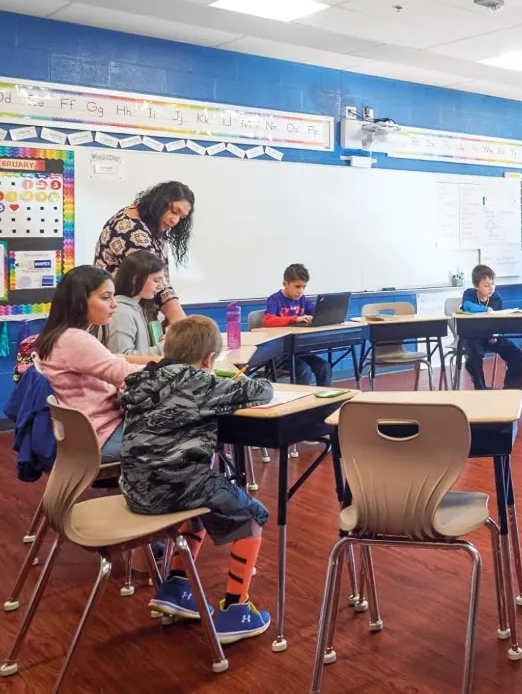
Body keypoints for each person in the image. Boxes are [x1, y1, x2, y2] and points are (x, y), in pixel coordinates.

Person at [119, 315, 274, 644]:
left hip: (134, 489)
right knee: (253, 514)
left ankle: (176, 586)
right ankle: (235, 608)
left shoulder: (144, 378)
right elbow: (262, 391)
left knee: (203, 498)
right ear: (208, 359)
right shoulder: (201, 382)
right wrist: (228, 376)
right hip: (176, 487)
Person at [34, 265, 153, 461]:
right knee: (184, 436)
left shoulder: (61, 336)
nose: (114, 304)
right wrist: (175, 368)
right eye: (106, 297)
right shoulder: (75, 340)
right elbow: (127, 375)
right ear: (79, 301)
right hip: (99, 435)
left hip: (90, 431)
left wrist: (160, 363)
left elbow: (113, 360)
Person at [94, 181, 194, 327]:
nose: (175, 221)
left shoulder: (150, 223)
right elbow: (153, 280)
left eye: (181, 217)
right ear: (160, 202)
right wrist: (181, 324)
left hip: (132, 314)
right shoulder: (132, 230)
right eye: (173, 211)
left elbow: (158, 280)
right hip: (121, 318)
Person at [263, 263, 331, 387]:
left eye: (304, 287)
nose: (301, 291)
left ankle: (327, 403)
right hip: (280, 354)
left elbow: (316, 310)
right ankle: (303, 404)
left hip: (299, 350)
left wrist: (326, 310)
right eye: (297, 286)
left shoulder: (302, 299)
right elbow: (268, 321)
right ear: (285, 284)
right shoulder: (274, 300)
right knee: (304, 370)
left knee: (324, 367)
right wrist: (295, 318)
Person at [460, 264, 522, 390]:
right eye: (486, 285)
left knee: (517, 353)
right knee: (474, 357)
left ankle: (511, 390)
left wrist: (496, 334)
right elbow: (468, 306)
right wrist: (486, 310)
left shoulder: (496, 298)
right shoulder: (469, 294)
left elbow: (499, 320)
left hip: (491, 337)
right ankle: (481, 389)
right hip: (472, 337)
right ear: (475, 285)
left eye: (493, 284)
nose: (491, 288)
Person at [106, 250, 167, 357]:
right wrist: (167, 347)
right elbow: (122, 357)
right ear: (135, 279)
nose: (161, 286)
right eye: (156, 280)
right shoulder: (121, 312)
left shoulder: (138, 307)